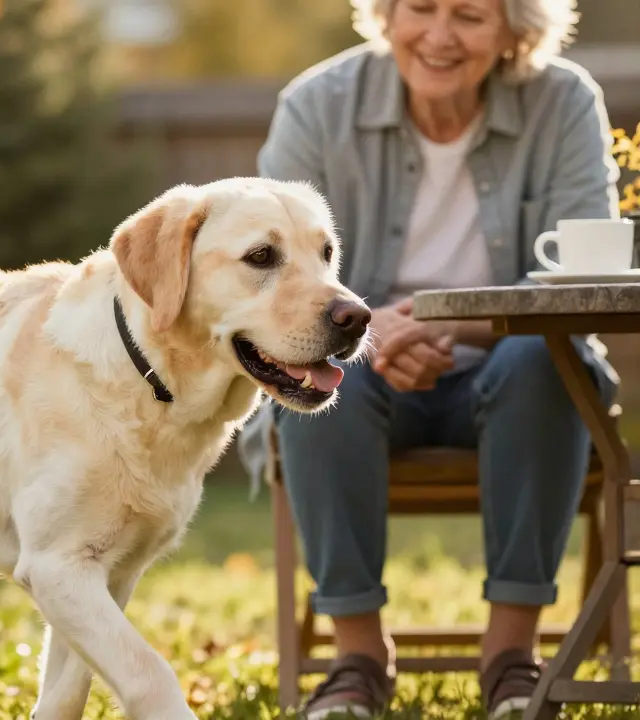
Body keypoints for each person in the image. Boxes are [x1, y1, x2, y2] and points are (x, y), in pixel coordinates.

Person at [236, 0, 624, 717]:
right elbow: (274, 279)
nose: (439, 36)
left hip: (514, 363)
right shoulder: (317, 105)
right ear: (385, 13)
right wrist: (374, 337)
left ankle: (511, 658)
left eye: (471, 15)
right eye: (420, 7)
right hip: (361, 359)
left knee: (544, 365)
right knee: (322, 382)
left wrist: (450, 329)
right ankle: (356, 660)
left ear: (514, 29)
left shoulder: (564, 101)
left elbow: (582, 278)